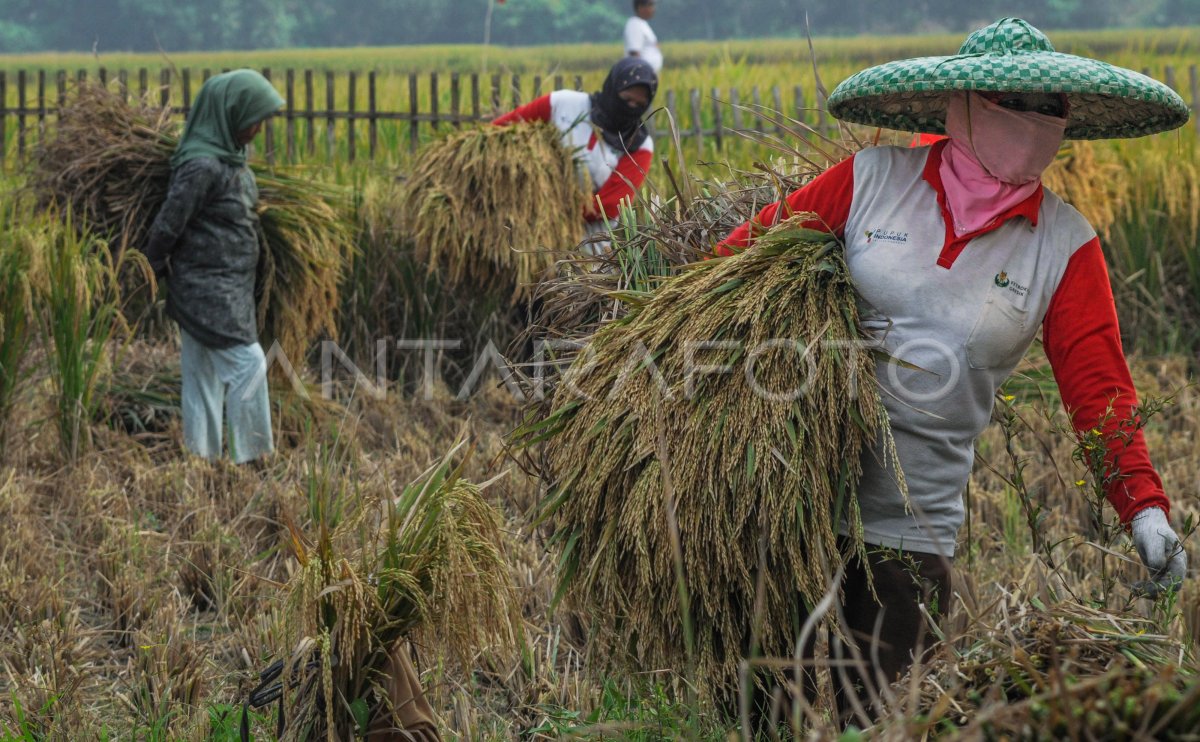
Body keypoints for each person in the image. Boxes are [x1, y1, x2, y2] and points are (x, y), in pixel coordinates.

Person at [714, 17, 1190, 720]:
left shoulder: (1063, 244)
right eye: (1011, 100)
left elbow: (1100, 389)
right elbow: (736, 269)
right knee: (758, 708)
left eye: (1049, 106)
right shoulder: (873, 181)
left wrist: (1143, 509)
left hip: (911, 527)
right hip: (791, 498)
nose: (1033, 120)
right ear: (962, 104)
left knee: (881, 718)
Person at [143, 69, 282, 466]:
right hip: (206, 287)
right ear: (228, 114)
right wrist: (148, 268)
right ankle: (254, 460)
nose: (257, 128)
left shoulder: (231, 159)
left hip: (229, 284)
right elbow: (169, 223)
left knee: (201, 371)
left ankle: (201, 462)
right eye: (252, 118)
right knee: (249, 364)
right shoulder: (201, 166)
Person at [493, 57, 658, 251]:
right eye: (626, 98)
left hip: (589, 242)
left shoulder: (640, 144)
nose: (630, 107)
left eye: (638, 104)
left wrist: (552, 213)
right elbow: (503, 129)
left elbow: (611, 204)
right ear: (612, 89)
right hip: (527, 225)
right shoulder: (562, 104)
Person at [624, 0, 663, 74]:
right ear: (640, 7)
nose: (654, 9)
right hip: (641, 75)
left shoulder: (642, 23)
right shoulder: (635, 24)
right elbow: (634, 54)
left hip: (647, 75)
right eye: (651, 5)